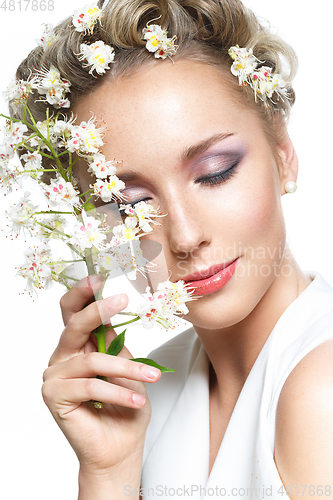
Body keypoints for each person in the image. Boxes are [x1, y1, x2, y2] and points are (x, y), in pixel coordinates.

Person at [8, 0, 333, 498]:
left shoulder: (321, 388)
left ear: (284, 156)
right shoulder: (151, 391)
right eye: (131, 204)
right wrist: (110, 472)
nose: (183, 237)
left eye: (215, 171)